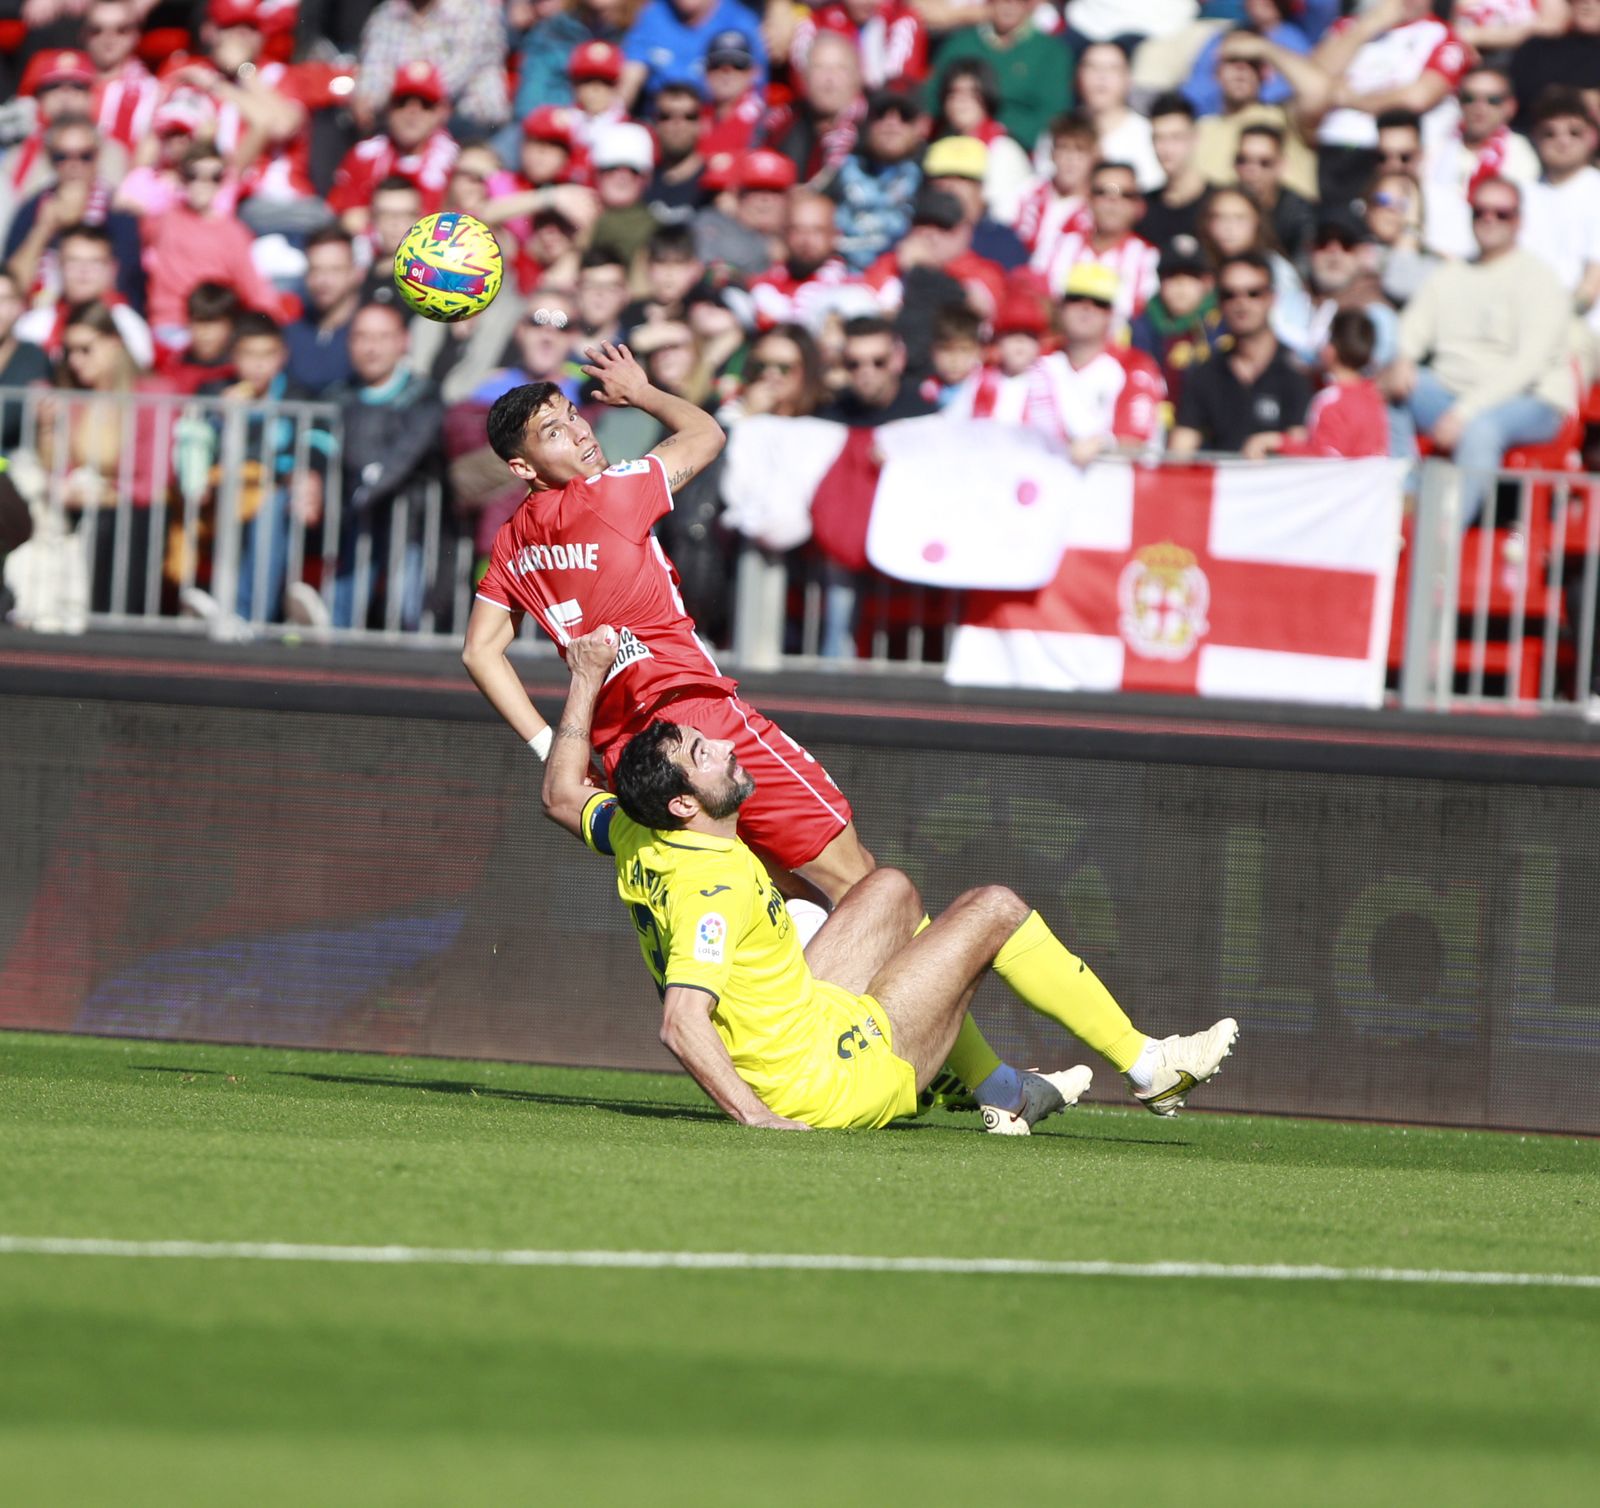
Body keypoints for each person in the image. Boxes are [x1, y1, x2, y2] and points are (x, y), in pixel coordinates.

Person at [461, 345, 1031, 1119]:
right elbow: (706, 437)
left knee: (776, 901)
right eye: (555, 434)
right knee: (862, 885)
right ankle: (997, 1076)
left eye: (575, 417)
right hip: (698, 726)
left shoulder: (515, 541)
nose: (580, 433)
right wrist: (644, 392)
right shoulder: (609, 496)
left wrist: (547, 743)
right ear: (525, 467)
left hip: (623, 755)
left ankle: (895, 1064)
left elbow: (479, 651)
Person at [539, 628, 1240, 1130]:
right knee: (993, 907)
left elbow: (562, 796)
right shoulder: (711, 889)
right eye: (703, 751)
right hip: (834, 1083)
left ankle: (1002, 1090)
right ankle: (1148, 1064)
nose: (724, 743)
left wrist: (585, 677)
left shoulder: (640, 830)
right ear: (686, 803)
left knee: (889, 890)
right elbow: (681, 1021)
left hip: (802, 1026)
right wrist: (756, 1118)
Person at [1384, 176, 1576, 525]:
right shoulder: (1451, 272)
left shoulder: (1539, 279)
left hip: (1531, 402)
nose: (1489, 219)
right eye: (1480, 211)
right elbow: (1415, 326)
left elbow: (1528, 365)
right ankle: (1404, 502)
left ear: (1519, 221)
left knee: (1481, 430)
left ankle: (1443, 540)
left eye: (1501, 213)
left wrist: (1465, 413)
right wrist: (1404, 358)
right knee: (1387, 390)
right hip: (1451, 391)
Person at [329, 300, 448, 628]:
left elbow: (407, 453)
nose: (371, 347)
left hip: (412, 520)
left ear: (403, 341)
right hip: (353, 516)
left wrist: (369, 488)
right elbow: (318, 443)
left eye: (382, 337)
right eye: (362, 337)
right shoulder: (338, 394)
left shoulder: (423, 394)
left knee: (407, 608)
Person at [140, 142, 297, 358]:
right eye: (193, 174)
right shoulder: (162, 220)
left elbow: (255, 290)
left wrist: (273, 327)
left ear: (223, 180)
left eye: (214, 176)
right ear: (181, 177)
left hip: (212, 330)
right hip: (166, 327)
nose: (203, 183)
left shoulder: (233, 233)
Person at [1168, 249, 1312, 455]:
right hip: (1224, 485)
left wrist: (1273, 442)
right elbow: (1179, 454)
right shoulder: (1204, 375)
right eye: (1229, 294)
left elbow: (1304, 452)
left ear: (1271, 298)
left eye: (1253, 293)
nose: (1241, 303)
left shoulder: (1298, 372)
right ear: (1219, 302)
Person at [1419, 65, 1541, 261]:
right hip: (1432, 258)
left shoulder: (1520, 154)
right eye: (1469, 98)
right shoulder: (1436, 148)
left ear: (1510, 107)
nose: (1479, 107)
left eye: (1492, 100)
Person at [922, 0, 1074, 156]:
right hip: (956, 143)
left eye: (1018, 2)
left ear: (1031, 4)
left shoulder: (1051, 52)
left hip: (1017, 148)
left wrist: (1000, 133)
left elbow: (1053, 114)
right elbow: (931, 98)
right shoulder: (959, 44)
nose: (1009, 6)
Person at [330, 62, 461, 233]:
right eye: (402, 102)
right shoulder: (363, 156)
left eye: (425, 104)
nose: (412, 112)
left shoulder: (457, 161)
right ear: (388, 108)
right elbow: (351, 221)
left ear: (442, 112)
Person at [353, 0, 510, 142]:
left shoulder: (474, 10)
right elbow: (373, 73)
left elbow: (451, 79)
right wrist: (368, 101)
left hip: (469, 119)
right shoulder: (385, 15)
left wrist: (401, 93)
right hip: (403, 115)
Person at [1031, 160, 1159, 331]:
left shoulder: (1150, 260)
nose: (1113, 201)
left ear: (1138, 205)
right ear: (1088, 198)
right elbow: (1033, 301)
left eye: (1125, 194)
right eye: (1103, 192)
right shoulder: (1056, 246)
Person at [11, 221, 153, 370]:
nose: (83, 271)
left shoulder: (129, 328)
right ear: (58, 266)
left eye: (94, 262)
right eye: (74, 261)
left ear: (112, 269)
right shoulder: (33, 325)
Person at [1255, 308, 1388, 460]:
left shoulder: (1330, 401)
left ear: (1331, 349)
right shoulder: (1374, 396)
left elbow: (1324, 458)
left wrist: (1277, 442)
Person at [1520, 88, 1600, 337]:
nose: (1562, 141)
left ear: (1593, 137)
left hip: (1583, 329)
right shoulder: (1521, 194)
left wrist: (1556, 322)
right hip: (1524, 321)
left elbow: (1592, 283)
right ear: (1535, 138)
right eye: (1549, 133)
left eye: (1574, 132)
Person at [822, 86, 925, 273]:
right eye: (881, 114)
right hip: (838, 273)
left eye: (905, 115)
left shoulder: (929, 176)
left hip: (898, 277)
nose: (891, 123)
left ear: (922, 126)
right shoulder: (842, 168)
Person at [928, 59, 1031, 225]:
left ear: (987, 97)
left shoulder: (1003, 150)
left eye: (971, 94)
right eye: (953, 93)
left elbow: (1003, 216)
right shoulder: (939, 145)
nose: (961, 101)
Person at [1129, 234, 1224, 414]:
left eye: (1191, 276)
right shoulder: (1141, 324)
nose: (1181, 285)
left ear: (1207, 283)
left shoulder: (1219, 324)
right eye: (1172, 276)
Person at [621, 0, 766, 109]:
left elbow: (756, 95)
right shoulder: (653, 15)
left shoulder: (742, 22)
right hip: (660, 121)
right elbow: (629, 82)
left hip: (718, 123)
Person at [285, 225, 364, 396]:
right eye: (315, 269)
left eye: (334, 269)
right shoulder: (291, 333)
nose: (322, 280)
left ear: (356, 272)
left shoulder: (371, 332)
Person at [1076, 40, 1161, 193]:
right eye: (1092, 67)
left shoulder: (1147, 135)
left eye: (1112, 69)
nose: (1101, 76)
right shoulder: (1062, 129)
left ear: (1128, 79)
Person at [1233, 122, 1316, 269]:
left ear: (1281, 165)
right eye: (1243, 160)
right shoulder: (1219, 205)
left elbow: (1302, 268)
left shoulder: (1301, 213)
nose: (1252, 169)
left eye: (1264, 162)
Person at [1140, 91, 1210, 254]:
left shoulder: (1216, 203)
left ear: (1195, 138)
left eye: (1176, 137)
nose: (1166, 148)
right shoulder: (1144, 207)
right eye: (1159, 138)